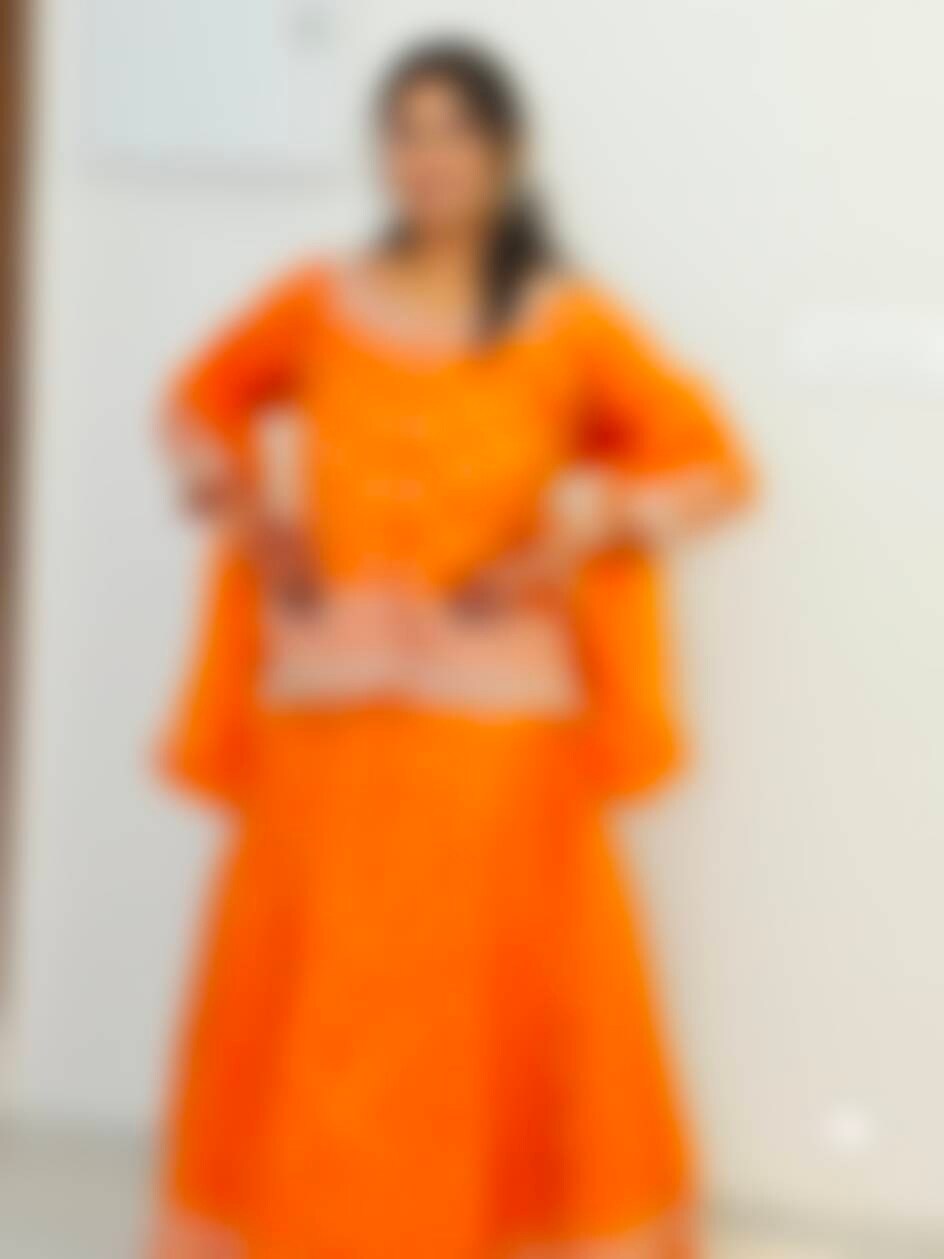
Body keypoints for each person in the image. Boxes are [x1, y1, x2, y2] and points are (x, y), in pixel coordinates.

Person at [153, 38, 750, 1259]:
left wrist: (574, 534)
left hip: (495, 732)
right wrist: (252, 516)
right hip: (326, 716)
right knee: (329, 990)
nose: (426, 157)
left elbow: (709, 466)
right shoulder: (317, 302)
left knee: (479, 994)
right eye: (405, 132)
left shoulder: (564, 322)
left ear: (506, 151)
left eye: (454, 131)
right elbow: (197, 403)